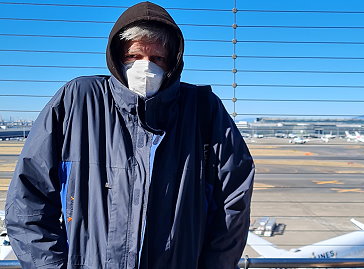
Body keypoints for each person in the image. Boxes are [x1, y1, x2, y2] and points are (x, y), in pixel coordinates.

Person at [5, 2, 255, 269]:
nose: (145, 68)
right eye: (134, 56)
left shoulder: (202, 108)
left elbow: (234, 201)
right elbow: (28, 198)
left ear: (173, 62)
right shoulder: (78, 100)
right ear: (117, 57)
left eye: (157, 58)